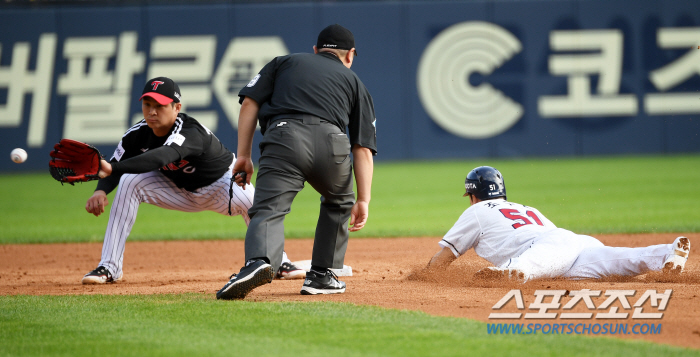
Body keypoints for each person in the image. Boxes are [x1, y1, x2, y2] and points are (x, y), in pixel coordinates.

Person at [81, 77, 305, 284]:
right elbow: (114, 163)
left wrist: (114, 168)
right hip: (178, 189)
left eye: (159, 105)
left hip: (221, 185)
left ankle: (278, 261)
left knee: (253, 201)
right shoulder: (136, 134)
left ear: (176, 107)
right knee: (129, 181)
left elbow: (162, 156)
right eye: (147, 105)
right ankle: (109, 267)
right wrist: (101, 190)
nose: (152, 111)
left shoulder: (190, 130)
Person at [216, 24, 377, 300]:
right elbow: (362, 147)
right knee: (338, 202)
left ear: (316, 50)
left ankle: (260, 260)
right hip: (332, 143)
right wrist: (363, 199)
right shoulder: (355, 83)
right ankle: (322, 275)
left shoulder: (283, 63)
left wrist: (243, 155)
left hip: (284, 138)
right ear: (350, 55)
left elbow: (249, 103)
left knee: (269, 208)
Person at [425, 166, 691, 281]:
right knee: (621, 260)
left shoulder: (477, 211)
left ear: (472, 195)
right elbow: (557, 241)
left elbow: (444, 257)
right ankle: (667, 253)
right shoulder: (524, 207)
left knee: (523, 268)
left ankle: (511, 272)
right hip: (570, 244)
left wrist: (424, 275)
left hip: (546, 248)